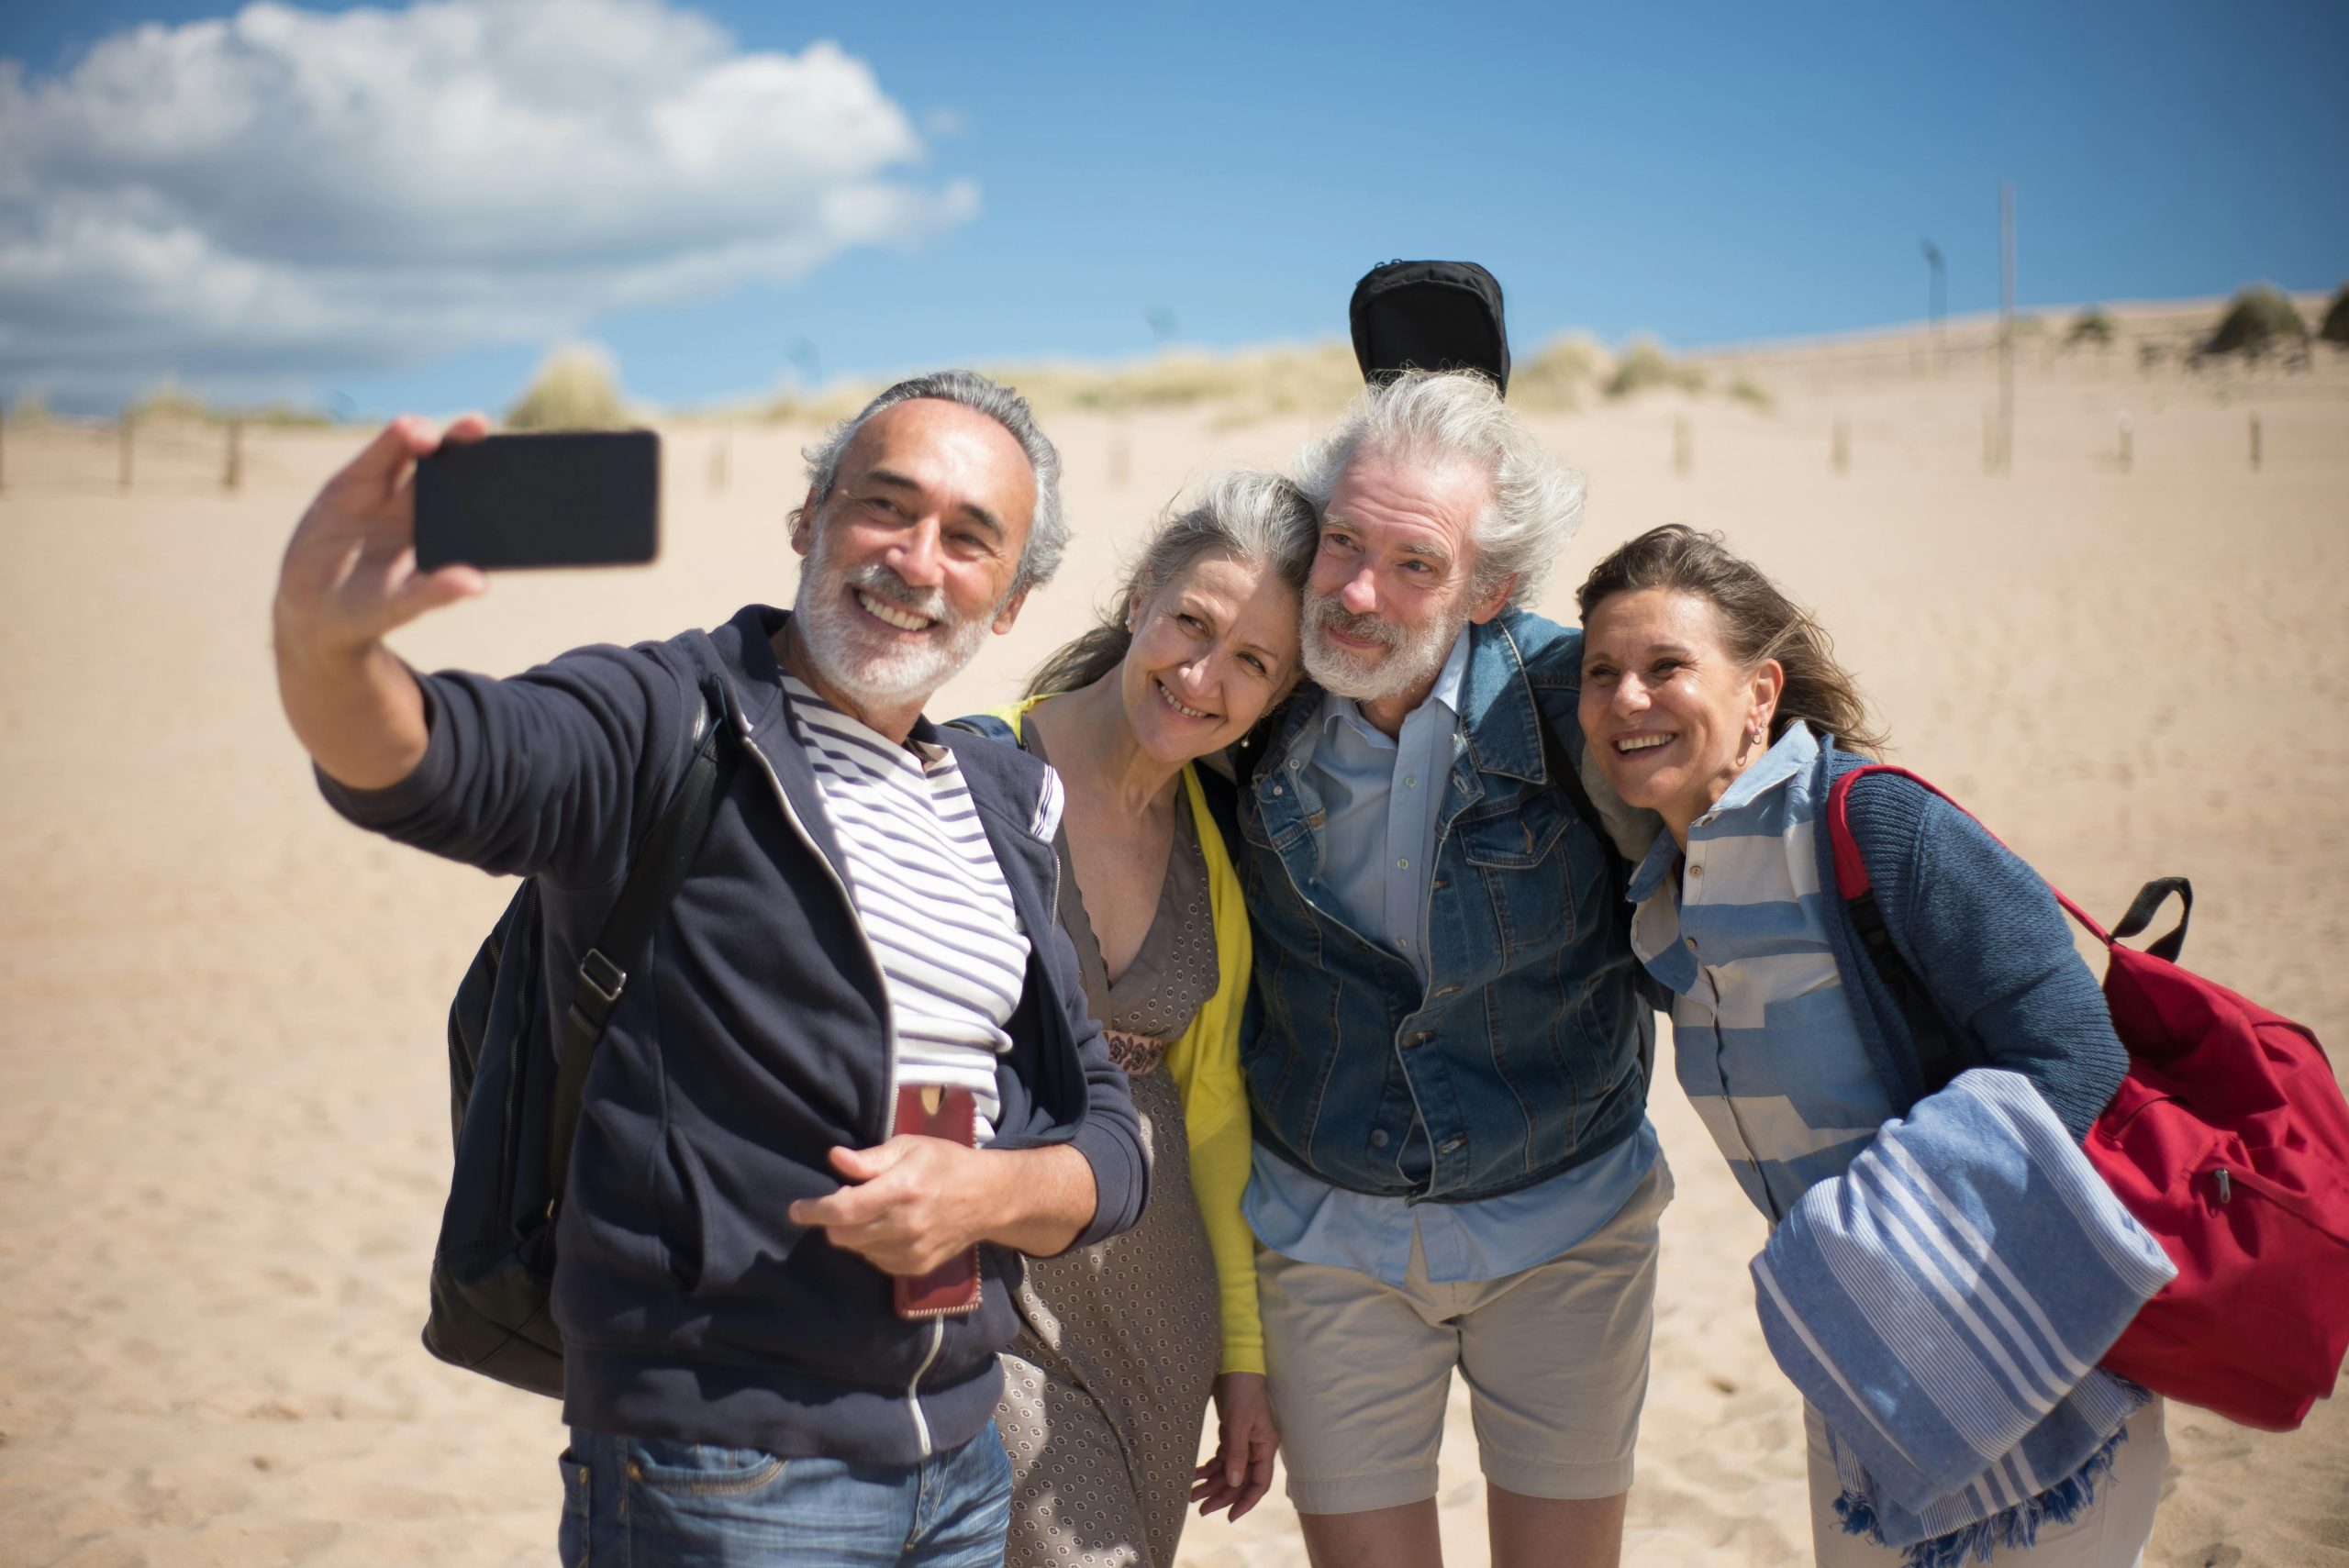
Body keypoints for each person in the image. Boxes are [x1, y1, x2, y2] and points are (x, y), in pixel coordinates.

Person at [270, 371, 1149, 1568]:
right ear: (809, 521)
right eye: (884, 508)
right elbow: (440, 761)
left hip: (961, 1466)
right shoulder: (664, 720)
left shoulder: (1002, 806)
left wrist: (988, 1197)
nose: (916, 559)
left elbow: (1105, 1133)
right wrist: (325, 647)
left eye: (968, 537)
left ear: (1010, 603)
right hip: (727, 1470)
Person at [1574, 522, 2163, 1566]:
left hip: (2025, 1352)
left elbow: (2075, 1050)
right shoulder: (1661, 904)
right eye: (1601, 672)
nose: (1627, 699)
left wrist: (1897, 1257)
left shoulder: (1874, 825)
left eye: (1667, 666)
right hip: (1865, 1388)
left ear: (1760, 693)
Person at [1233, 370, 1669, 1568]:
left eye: (1414, 564)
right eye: (1341, 543)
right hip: (1326, 1233)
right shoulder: (1247, 692)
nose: (1356, 593)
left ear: (1492, 589)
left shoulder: (1582, 702)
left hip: (1570, 1223)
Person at [958, 471, 1316, 1568]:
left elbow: (1212, 1113)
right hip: (990, 1284)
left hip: (1159, 1314)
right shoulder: (975, 770)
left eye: (1251, 660)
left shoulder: (1220, 836)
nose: (1204, 676)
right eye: (1191, 624)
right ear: (1138, 601)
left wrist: (1242, 1357)